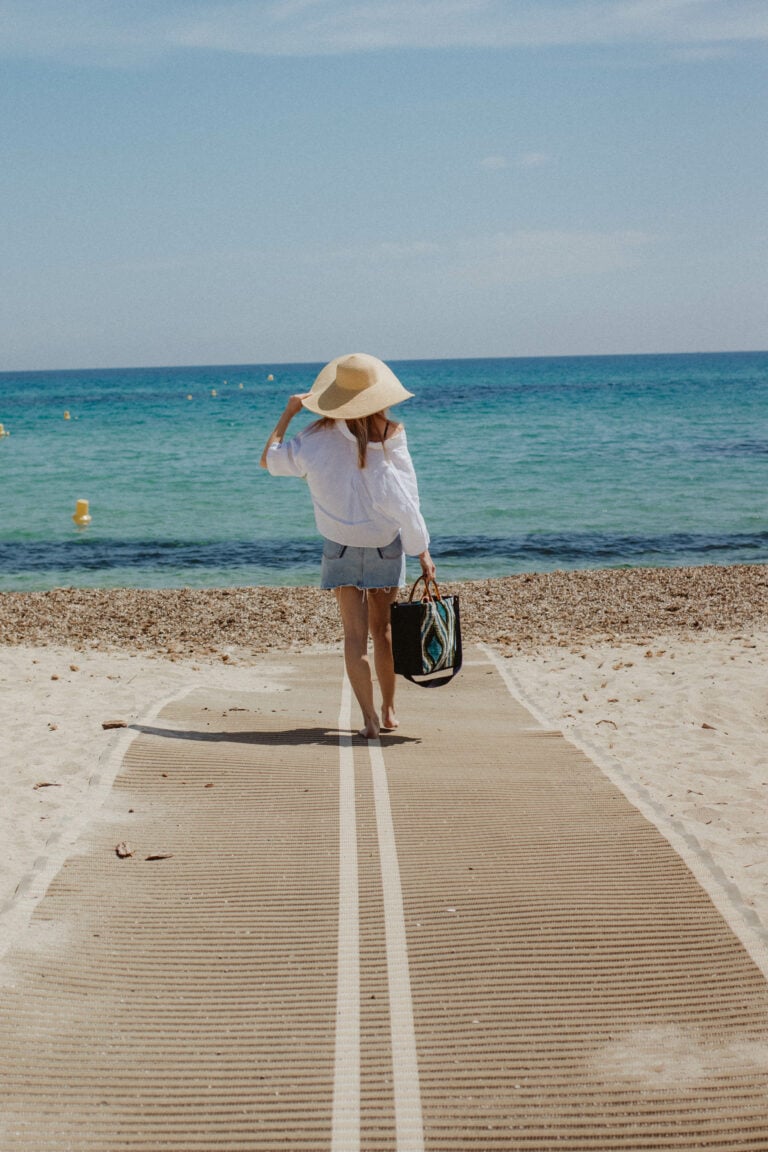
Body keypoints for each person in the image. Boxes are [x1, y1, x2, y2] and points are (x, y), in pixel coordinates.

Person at [260, 353, 435, 740]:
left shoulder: (314, 438)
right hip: (384, 547)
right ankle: (390, 711)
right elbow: (408, 499)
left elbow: (268, 461)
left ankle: (369, 719)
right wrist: (421, 549)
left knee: (354, 638)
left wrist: (288, 413)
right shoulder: (391, 434)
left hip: (339, 548)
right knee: (383, 631)